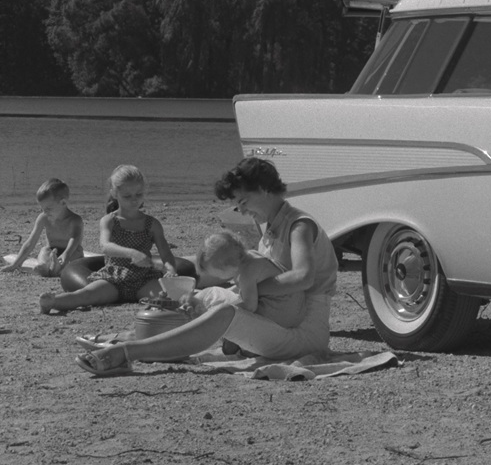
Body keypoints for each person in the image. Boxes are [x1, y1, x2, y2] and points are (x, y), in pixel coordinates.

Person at [76, 158, 338, 376]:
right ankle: (130, 337)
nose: (242, 211)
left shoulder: (299, 225)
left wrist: (249, 292)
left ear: (264, 189)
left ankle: (127, 353)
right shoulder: (271, 228)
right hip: (281, 318)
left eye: (243, 202)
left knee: (224, 312)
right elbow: (252, 278)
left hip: (303, 332)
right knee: (199, 298)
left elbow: (303, 278)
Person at [40, 166, 177, 313]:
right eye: (127, 196)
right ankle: (52, 302)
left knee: (172, 297)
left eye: (138, 194)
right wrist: (132, 253)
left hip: (144, 279)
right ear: (114, 193)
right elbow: (105, 247)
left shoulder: (152, 224)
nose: (134, 200)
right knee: (86, 296)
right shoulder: (109, 221)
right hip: (113, 279)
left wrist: (171, 268)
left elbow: (165, 253)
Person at [191, 230, 304, 328]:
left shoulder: (246, 273)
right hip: (294, 307)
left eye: (217, 275)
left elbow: (249, 306)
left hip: (281, 314)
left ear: (229, 267)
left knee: (233, 319)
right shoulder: (252, 256)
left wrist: (221, 311)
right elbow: (245, 288)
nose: (216, 278)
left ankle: (241, 348)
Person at [2, 179, 84, 277]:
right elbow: (30, 242)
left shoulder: (75, 220)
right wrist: (16, 264)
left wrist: (66, 254)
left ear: (63, 203)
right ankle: (47, 267)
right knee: (44, 251)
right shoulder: (43, 218)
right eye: (42, 209)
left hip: (71, 251)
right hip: (51, 250)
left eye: (48, 209)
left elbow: (74, 239)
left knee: (76, 254)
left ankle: (57, 267)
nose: (45, 212)